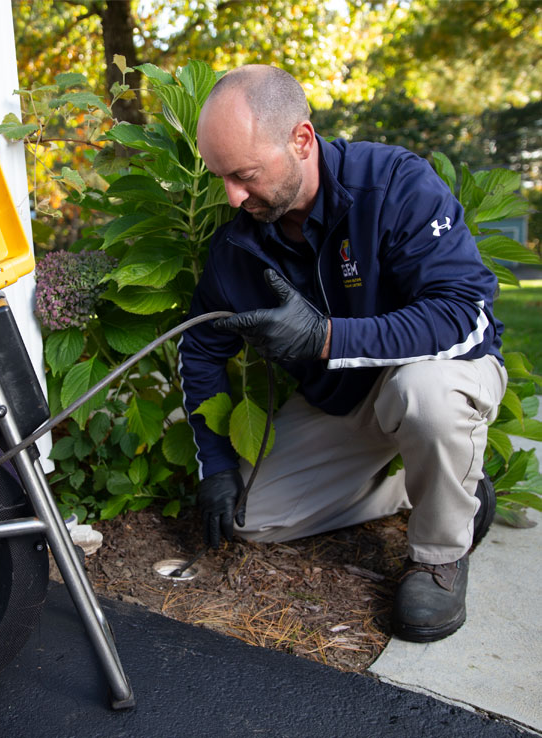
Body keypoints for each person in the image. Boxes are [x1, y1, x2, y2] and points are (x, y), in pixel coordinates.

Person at [178, 64, 507, 643]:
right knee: (253, 520)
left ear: (301, 140)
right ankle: (438, 486)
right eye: (221, 177)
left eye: (246, 174)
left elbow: (463, 312)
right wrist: (218, 465)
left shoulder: (394, 183)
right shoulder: (238, 245)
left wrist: (328, 339)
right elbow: (201, 348)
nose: (232, 195)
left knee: (423, 397)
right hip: (345, 401)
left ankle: (439, 555)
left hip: (439, 373)